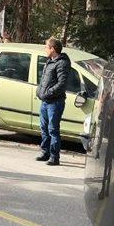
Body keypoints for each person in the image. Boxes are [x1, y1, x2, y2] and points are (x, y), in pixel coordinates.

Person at [36, 37, 71, 166]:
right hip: (45, 101)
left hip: (55, 102)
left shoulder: (62, 63)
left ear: (52, 49)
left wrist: (47, 93)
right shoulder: (49, 61)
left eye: (46, 47)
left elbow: (62, 84)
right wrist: (39, 91)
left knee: (53, 129)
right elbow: (44, 79)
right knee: (43, 128)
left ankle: (54, 156)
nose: (45, 49)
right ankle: (45, 152)